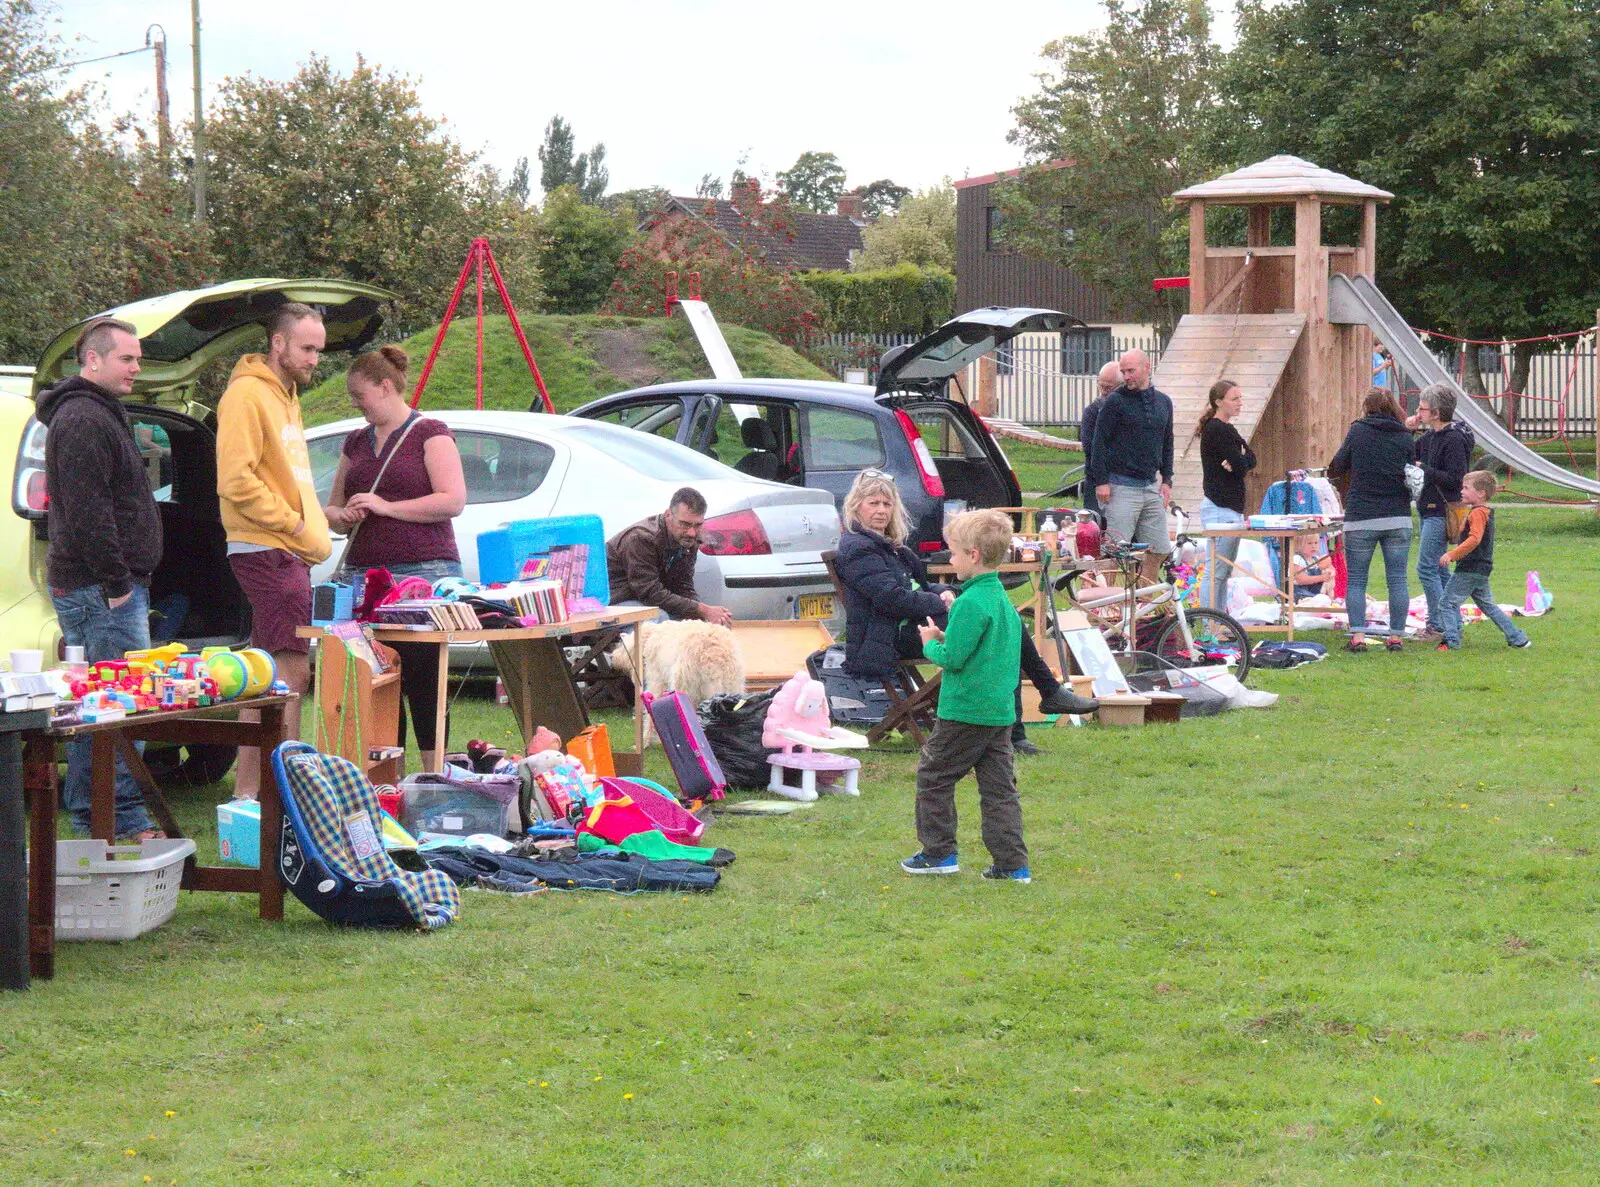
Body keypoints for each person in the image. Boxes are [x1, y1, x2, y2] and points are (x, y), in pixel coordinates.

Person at [833, 471, 1096, 757]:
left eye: (887, 504)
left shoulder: (889, 546)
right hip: (887, 638)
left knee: (1005, 620)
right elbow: (892, 599)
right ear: (857, 506)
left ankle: (1032, 713)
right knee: (1000, 625)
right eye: (874, 503)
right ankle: (1033, 713)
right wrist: (939, 602)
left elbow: (918, 585)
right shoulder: (859, 549)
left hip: (912, 624)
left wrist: (945, 593)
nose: (881, 510)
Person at [37, 318, 162, 840]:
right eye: (126, 359)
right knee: (115, 706)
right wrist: (117, 584)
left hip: (105, 586)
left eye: (137, 358)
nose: (136, 367)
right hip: (99, 589)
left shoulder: (99, 412)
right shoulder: (85, 418)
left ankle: (106, 816)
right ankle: (112, 819)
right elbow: (90, 512)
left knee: (111, 704)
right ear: (92, 360)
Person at [323, 345, 467, 772]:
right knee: (375, 681)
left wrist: (386, 507)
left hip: (421, 574)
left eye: (359, 394)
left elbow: (453, 500)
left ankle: (432, 775)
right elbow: (331, 509)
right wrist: (343, 516)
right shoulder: (355, 441)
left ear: (386, 387)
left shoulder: (431, 432)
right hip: (363, 577)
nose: (355, 404)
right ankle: (386, 778)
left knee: (423, 680)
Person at [216, 303, 332, 798]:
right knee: (288, 671)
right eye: (306, 348)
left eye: (319, 350)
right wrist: (297, 527)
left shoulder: (286, 395)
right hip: (266, 547)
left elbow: (289, 478)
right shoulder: (246, 394)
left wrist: (312, 528)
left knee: (271, 669)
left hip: (288, 551)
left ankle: (259, 791)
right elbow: (235, 481)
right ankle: (272, 791)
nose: (314, 360)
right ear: (278, 343)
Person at [900, 509, 1031, 882]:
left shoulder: (970, 603)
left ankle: (938, 853)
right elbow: (983, 647)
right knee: (999, 789)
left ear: (973, 555)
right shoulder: (1000, 599)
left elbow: (953, 659)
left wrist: (930, 644)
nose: (950, 559)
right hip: (999, 710)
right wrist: (949, 635)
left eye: (954, 553)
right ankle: (1011, 864)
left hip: (965, 710)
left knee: (934, 776)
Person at [1328, 388, 1414, 653]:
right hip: (1397, 515)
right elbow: (1411, 471)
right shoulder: (1404, 435)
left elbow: (1337, 465)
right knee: (1397, 579)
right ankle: (1396, 636)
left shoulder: (1358, 431)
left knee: (1356, 579)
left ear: (1367, 407)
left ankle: (1358, 637)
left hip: (1362, 515)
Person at [1089, 348, 1174, 583]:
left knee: (1159, 549)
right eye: (1123, 372)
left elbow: (1167, 442)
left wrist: (1167, 479)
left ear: (1147, 368)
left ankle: (1142, 606)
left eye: (1131, 371)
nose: (1126, 377)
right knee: (1117, 553)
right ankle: (1107, 608)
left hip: (1150, 486)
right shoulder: (1116, 401)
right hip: (1120, 486)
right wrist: (1101, 481)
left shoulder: (1164, 403)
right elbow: (1099, 442)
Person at [606, 487, 733, 626]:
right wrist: (702, 609)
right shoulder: (641, 538)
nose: (691, 532)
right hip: (612, 601)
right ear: (668, 515)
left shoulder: (688, 539)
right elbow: (650, 593)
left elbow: (683, 586)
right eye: (684, 524)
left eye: (698, 525)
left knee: (694, 622)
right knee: (659, 619)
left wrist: (700, 616)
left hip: (644, 599)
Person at [1409, 383, 1474, 641]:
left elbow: (1457, 478)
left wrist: (1425, 469)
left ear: (1435, 413)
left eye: (1422, 409)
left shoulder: (1454, 438)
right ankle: (1452, 621)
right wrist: (1408, 429)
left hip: (1441, 509)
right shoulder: (1430, 437)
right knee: (1439, 568)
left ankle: (1439, 624)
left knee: (1427, 568)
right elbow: (1407, 451)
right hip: (1428, 508)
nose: (1419, 412)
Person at [1437, 470, 1529, 652]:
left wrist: (1452, 554)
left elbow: (1475, 539)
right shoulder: (1482, 512)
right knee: (1488, 606)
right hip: (1481, 568)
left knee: (1446, 603)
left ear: (1481, 493)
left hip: (1469, 569)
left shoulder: (1478, 513)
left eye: (1466, 488)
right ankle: (1518, 639)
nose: (1461, 491)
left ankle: (1450, 642)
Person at [1195, 379, 1256, 610]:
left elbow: (1250, 458)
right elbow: (1241, 466)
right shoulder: (1216, 428)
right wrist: (1240, 460)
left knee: (1223, 571)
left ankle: (1220, 623)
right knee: (1215, 571)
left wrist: (1240, 459)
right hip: (1220, 507)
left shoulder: (1228, 429)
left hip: (1230, 508)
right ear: (1219, 402)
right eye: (1234, 399)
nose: (1240, 403)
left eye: (1240, 398)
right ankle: (1212, 624)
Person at [1076, 360, 1121, 517]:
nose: (1102, 392)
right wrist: (1101, 482)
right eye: (1100, 386)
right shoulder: (1093, 411)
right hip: (1097, 480)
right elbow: (1091, 449)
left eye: (1108, 388)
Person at [1290, 535, 1333, 601]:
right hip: (1301, 593)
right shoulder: (1297, 559)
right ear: (1298, 545)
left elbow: (1330, 568)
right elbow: (1300, 579)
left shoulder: (1316, 559)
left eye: (1316, 543)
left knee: (1325, 600)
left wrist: (1330, 572)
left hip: (1315, 594)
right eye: (1309, 543)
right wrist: (1321, 577)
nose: (1313, 546)